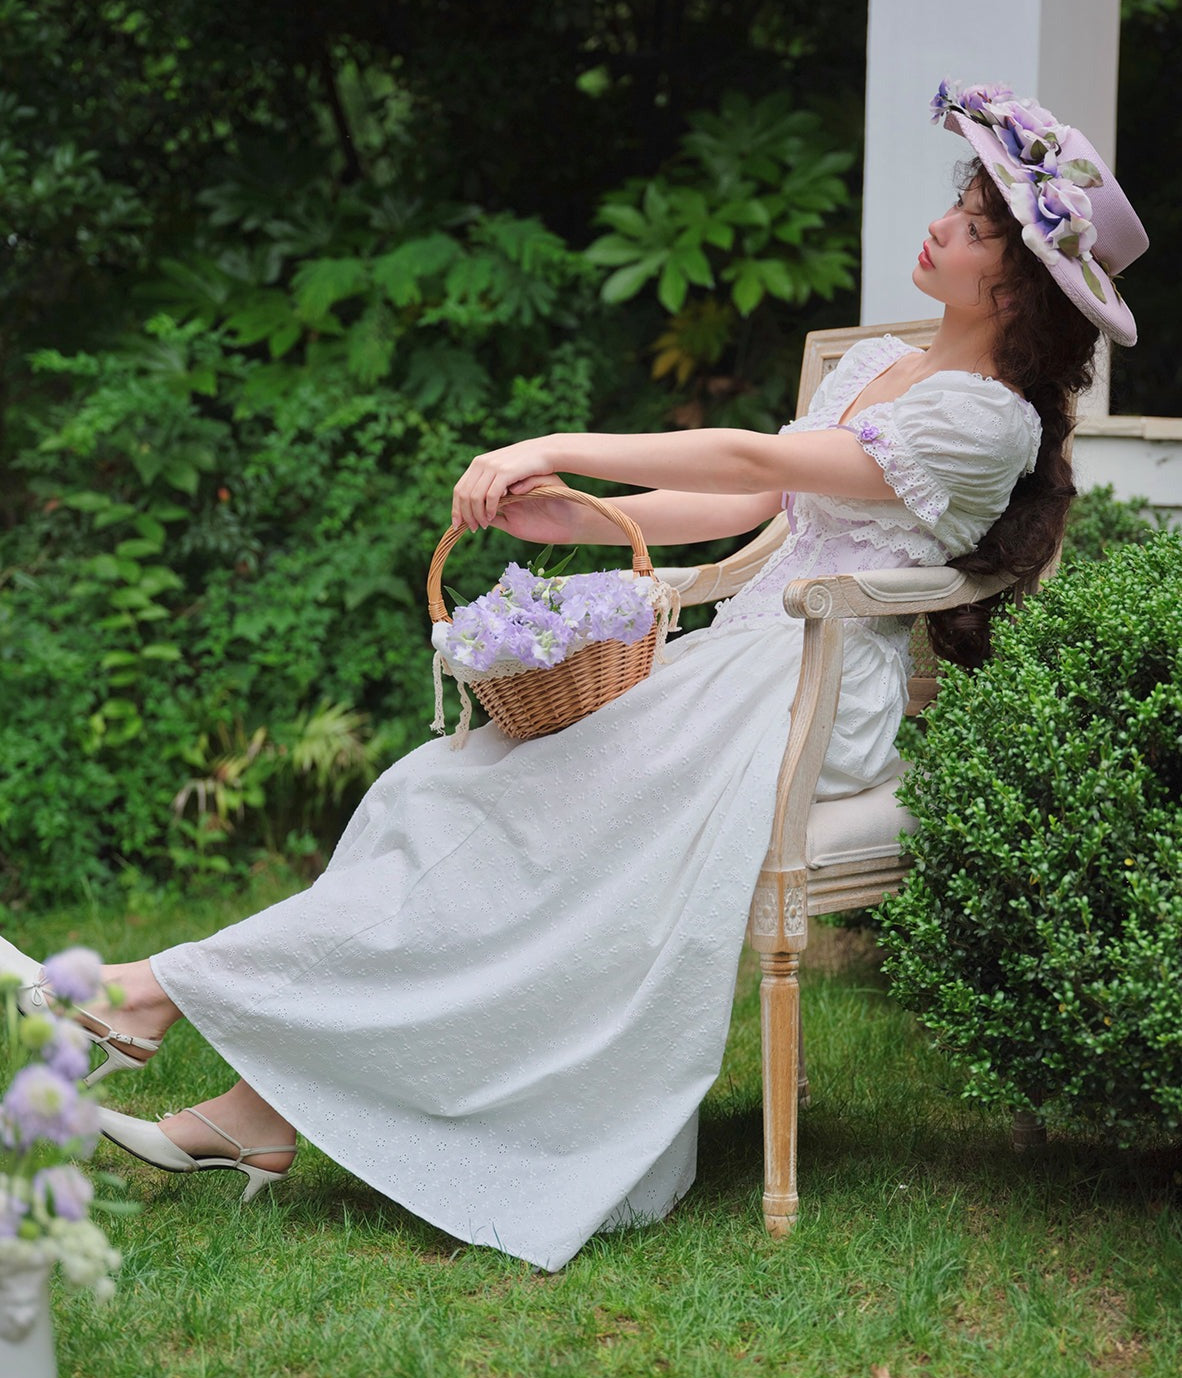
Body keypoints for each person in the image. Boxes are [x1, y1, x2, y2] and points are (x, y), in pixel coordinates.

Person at [1, 81, 1148, 1270]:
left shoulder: (988, 421)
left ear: (1016, 282)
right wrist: (576, 519)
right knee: (435, 790)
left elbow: (757, 453)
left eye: (971, 220)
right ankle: (256, 1113)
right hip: (741, 659)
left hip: (809, 692)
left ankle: (149, 995)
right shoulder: (882, 371)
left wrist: (556, 442)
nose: (943, 225)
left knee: (516, 822)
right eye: (961, 205)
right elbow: (754, 500)